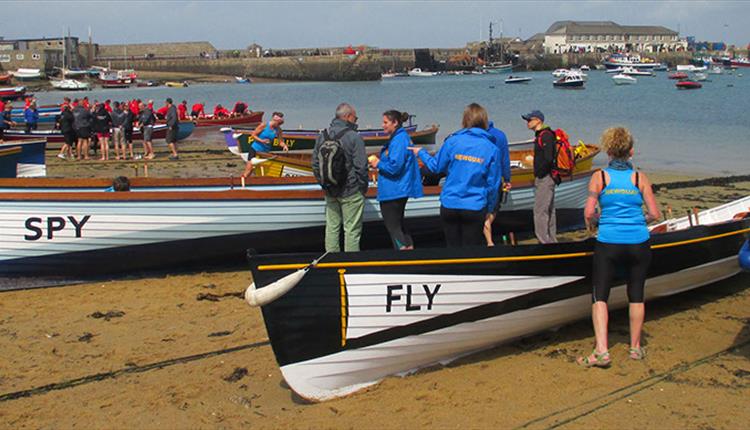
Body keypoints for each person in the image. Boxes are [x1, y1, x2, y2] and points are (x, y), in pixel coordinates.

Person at [577, 127, 661, 368]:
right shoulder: (639, 178)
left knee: (600, 295)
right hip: (638, 242)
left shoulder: (600, 177)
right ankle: (635, 348)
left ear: (609, 152)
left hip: (609, 243)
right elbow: (655, 214)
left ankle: (602, 351)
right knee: (636, 294)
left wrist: (595, 223)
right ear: (631, 151)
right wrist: (638, 221)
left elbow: (589, 212)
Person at [410, 103, 501, 247]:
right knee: (471, 250)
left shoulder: (452, 141)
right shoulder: (491, 148)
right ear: (484, 121)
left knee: (453, 248)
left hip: (450, 204)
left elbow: (435, 167)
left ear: (465, 120)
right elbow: (493, 185)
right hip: (474, 206)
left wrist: (421, 152)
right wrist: (490, 210)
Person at [311, 103, 368, 252]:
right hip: (351, 190)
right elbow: (361, 167)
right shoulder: (354, 137)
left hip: (330, 189)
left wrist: (324, 184)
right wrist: (362, 188)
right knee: (352, 230)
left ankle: (332, 262)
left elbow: (315, 165)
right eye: (355, 118)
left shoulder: (322, 136)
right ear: (348, 117)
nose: (356, 121)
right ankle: (350, 265)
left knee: (332, 227)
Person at [368, 110, 423, 250]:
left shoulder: (399, 140)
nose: (383, 125)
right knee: (399, 225)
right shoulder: (400, 138)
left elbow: (395, 167)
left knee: (393, 227)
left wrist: (378, 163)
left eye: (386, 122)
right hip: (397, 188)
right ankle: (410, 252)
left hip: (394, 190)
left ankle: (403, 255)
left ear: (395, 122)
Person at [523, 110, 557, 244]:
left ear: (538, 121)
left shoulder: (546, 135)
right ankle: (551, 240)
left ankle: (544, 241)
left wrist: (540, 173)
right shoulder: (542, 135)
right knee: (548, 209)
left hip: (545, 178)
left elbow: (548, 159)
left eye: (529, 120)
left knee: (540, 211)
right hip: (547, 177)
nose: (527, 122)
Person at [483, 120, 512, 246]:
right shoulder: (500, 135)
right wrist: (507, 179)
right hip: (494, 179)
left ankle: (487, 237)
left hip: (478, 178)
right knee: (493, 209)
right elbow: (505, 159)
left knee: (482, 209)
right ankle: (489, 242)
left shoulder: (473, 135)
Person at [241, 112, 288, 178]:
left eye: (280, 124)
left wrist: (284, 146)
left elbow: (280, 141)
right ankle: (241, 183)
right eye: (278, 123)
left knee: (262, 171)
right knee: (249, 171)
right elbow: (253, 135)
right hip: (255, 149)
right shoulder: (264, 125)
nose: (279, 125)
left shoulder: (278, 130)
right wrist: (262, 141)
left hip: (265, 152)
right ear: (274, 121)